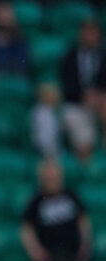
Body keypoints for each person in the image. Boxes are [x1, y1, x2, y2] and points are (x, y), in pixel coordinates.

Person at [21, 158, 91, 261]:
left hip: (72, 256)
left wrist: (85, 245)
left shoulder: (70, 196)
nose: (51, 177)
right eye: (48, 174)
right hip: (48, 259)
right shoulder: (37, 200)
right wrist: (35, 251)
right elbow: (26, 228)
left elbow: (83, 221)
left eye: (53, 173)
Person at [59, 20, 106, 161]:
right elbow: (66, 84)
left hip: (101, 103)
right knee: (75, 119)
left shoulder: (104, 56)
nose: (89, 35)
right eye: (86, 31)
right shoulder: (69, 57)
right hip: (77, 103)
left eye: (93, 32)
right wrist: (84, 96)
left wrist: (97, 95)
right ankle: (86, 166)